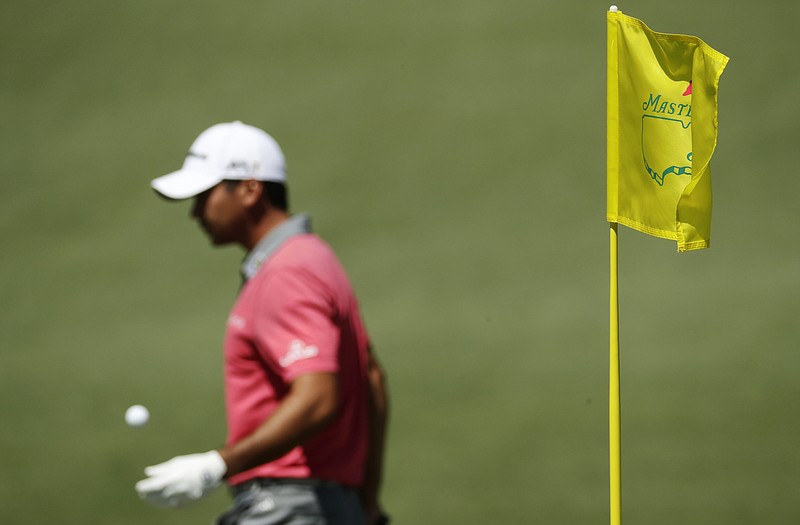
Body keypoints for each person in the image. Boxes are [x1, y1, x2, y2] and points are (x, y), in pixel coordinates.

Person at [135, 121, 389, 525]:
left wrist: (217, 465)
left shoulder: (284, 273)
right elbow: (371, 380)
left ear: (250, 190)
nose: (195, 212)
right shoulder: (315, 257)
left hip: (289, 507)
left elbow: (319, 396)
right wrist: (366, 502)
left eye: (205, 195)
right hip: (334, 508)